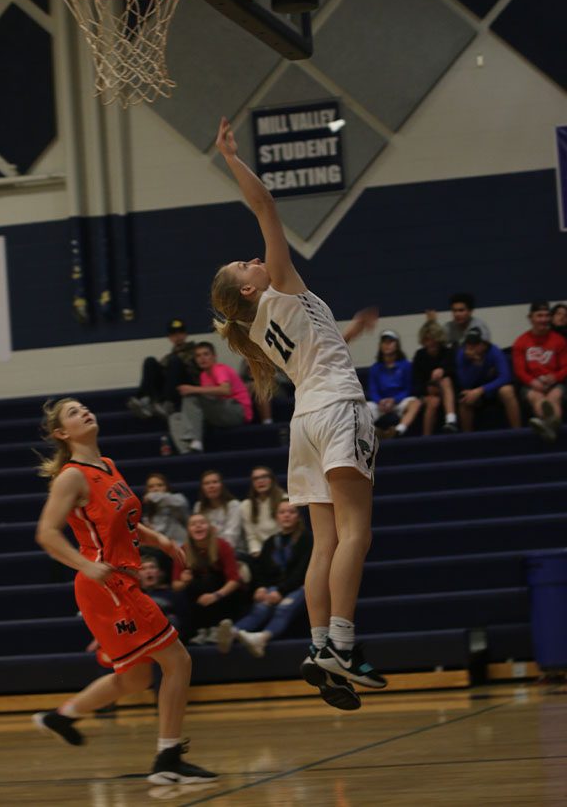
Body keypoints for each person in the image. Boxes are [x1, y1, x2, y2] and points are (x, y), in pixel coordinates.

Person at [209, 117, 387, 712]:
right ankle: (341, 644)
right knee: (356, 533)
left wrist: (349, 332)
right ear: (253, 289)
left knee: (324, 543)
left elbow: (316, 341)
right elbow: (266, 206)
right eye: (245, 265)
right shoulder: (281, 284)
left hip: (304, 422)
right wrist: (231, 158)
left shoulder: (258, 325)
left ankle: (318, 648)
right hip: (337, 408)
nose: (253, 259)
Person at [32, 398, 216, 785]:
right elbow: (46, 533)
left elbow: (127, 523)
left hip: (118, 581)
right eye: (73, 412)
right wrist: (86, 565)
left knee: (134, 680)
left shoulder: (108, 466)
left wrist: (161, 540)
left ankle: (61, 716)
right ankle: (168, 758)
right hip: (107, 584)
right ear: (62, 434)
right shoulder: (72, 476)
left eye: (84, 407)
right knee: (178, 661)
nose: (84, 411)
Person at [216, 501, 312, 658]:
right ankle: (232, 632)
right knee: (261, 607)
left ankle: (261, 638)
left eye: (291, 512)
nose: (286, 515)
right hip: (276, 588)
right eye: (282, 512)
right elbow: (261, 571)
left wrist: (281, 591)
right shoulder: (270, 542)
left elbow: (302, 572)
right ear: (276, 517)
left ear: (298, 517)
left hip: (302, 587)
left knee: (283, 608)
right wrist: (260, 587)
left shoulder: (307, 539)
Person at [167, 341, 252, 454]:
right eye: (198, 355)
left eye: (206, 354)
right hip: (218, 411)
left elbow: (226, 390)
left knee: (191, 397)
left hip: (237, 410)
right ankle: (187, 451)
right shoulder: (203, 376)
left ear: (214, 356)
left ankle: (196, 441)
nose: (202, 358)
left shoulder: (219, 368)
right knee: (175, 417)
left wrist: (193, 389)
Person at [172, 514, 242, 644]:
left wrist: (215, 595)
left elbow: (234, 580)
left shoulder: (222, 545)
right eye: (193, 524)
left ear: (210, 528)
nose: (198, 526)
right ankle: (198, 631)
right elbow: (175, 585)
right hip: (198, 599)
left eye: (202, 523)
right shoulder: (183, 551)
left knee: (209, 579)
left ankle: (216, 629)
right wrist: (183, 581)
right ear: (188, 530)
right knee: (186, 590)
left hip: (222, 594)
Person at [512, 301, 567, 442]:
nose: (544, 319)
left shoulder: (559, 340)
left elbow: (565, 367)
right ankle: (553, 426)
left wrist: (554, 378)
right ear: (531, 318)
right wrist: (533, 382)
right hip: (531, 384)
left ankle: (546, 426)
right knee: (538, 399)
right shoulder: (521, 341)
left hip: (555, 383)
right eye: (539, 315)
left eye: (547, 315)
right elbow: (519, 370)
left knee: (554, 397)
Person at [127, 318, 199, 420]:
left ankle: (167, 403)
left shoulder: (196, 351)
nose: (177, 336)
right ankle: (145, 399)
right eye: (174, 334)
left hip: (187, 386)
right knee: (150, 361)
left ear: (185, 334)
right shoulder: (169, 356)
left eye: (180, 333)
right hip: (170, 386)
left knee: (174, 361)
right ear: (170, 337)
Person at [456, 329, 521, 431]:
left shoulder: (494, 351)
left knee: (507, 391)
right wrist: (475, 365)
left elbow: (505, 376)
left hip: (494, 388)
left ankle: (518, 432)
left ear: (484, 344)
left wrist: (481, 390)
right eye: (468, 344)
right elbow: (464, 383)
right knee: (464, 399)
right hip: (474, 389)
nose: (470, 348)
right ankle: (467, 440)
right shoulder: (462, 354)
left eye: (475, 344)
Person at [366, 330, 421, 438]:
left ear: (397, 345)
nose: (387, 345)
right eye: (384, 342)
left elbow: (407, 389)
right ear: (380, 346)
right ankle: (375, 433)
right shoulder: (375, 368)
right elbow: (373, 390)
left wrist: (394, 400)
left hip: (398, 402)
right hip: (380, 404)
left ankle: (398, 430)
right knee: (360, 409)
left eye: (390, 342)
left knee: (416, 403)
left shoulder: (405, 365)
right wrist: (380, 401)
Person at [412, 321, 458, 435]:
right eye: (427, 339)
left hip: (448, 390)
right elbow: (416, 382)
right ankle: (426, 438)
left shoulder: (448, 352)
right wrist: (428, 389)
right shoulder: (420, 355)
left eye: (433, 339)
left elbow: (454, 372)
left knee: (445, 380)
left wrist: (443, 371)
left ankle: (451, 420)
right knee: (433, 402)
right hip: (429, 393)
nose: (431, 343)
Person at [240, 466, 287, 559]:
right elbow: (251, 537)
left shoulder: (284, 500)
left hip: (283, 549)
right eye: (256, 479)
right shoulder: (246, 506)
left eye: (264, 477)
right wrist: (257, 554)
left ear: (272, 480)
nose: (260, 481)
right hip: (260, 553)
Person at [192, 469, 243, 551]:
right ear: (202, 488)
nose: (211, 486)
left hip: (234, 552)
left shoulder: (234, 505)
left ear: (222, 485)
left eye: (215, 482)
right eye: (207, 483)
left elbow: (231, 539)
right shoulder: (198, 507)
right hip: (206, 553)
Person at [141, 472, 190, 546]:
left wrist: (152, 496)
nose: (155, 489)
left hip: (181, 546)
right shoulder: (147, 512)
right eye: (151, 487)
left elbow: (181, 503)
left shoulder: (177, 500)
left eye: (160, 485)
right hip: (160, 550)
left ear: (166, 487)